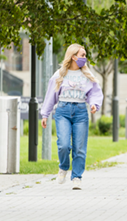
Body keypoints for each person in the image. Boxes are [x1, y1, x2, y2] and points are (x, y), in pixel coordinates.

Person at [40, 44, 104, 190]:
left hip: (81, 112)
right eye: (82, 55)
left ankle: (76, 176)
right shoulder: (60, 74)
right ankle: (63, 167)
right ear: (73, 56)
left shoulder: (88, 76)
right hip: (63, 111)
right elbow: (51, 95)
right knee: (63, 144)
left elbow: (95, 93)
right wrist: (45, 114)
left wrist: (94, 104)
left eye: (85, 55)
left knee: (79, 148)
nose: (85, 58)